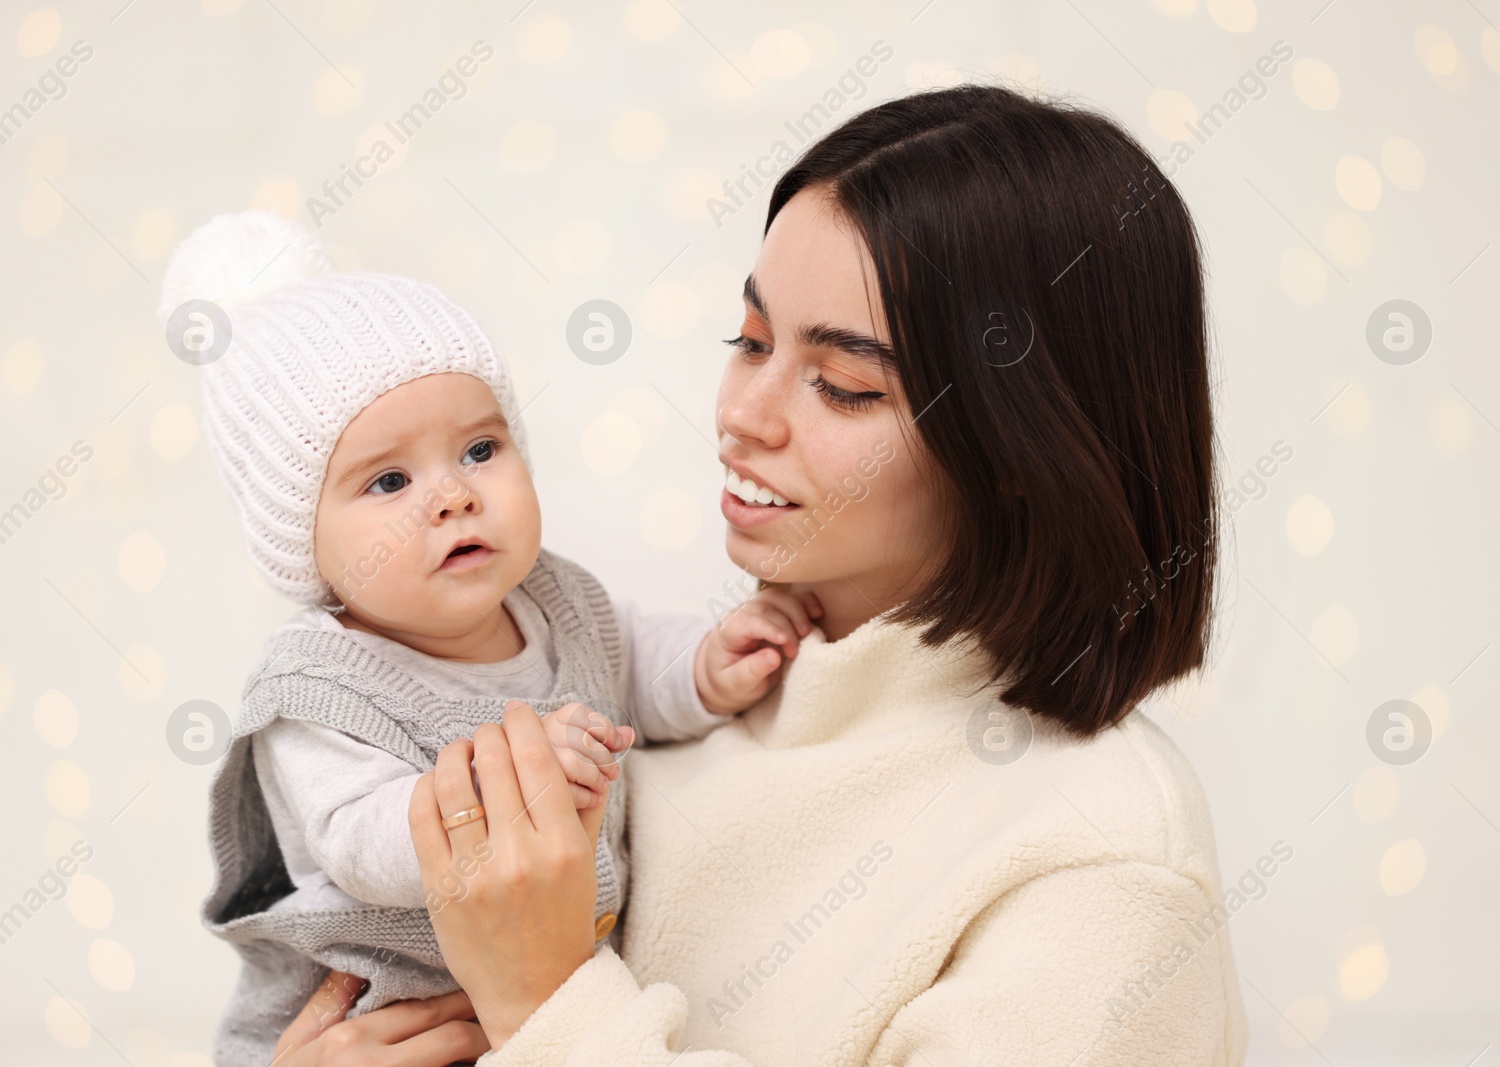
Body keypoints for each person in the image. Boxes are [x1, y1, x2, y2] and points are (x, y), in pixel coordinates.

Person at [273, 83, 1248, 1065]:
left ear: (1020, 447)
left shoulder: (1102, 860)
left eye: (845, 384)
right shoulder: (664, 719)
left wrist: (550, 1004)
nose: (745, 412)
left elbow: (552, 1014)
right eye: (748, 340)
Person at [159, 212, 819, 1066]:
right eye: (389, 479)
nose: (452, 496)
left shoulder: (555, 598)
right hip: (385, 1007)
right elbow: (359, 842)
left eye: (478, 448)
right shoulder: (319, 687)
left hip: (544, 1011)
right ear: (302, 540)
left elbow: (630, 655)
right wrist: (513, 772)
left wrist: (703, 665)